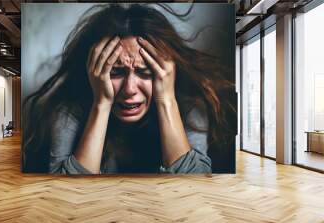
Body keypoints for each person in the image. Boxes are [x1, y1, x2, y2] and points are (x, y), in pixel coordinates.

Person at [22, 3, 234, 174]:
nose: (130, 89)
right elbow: (64, 195)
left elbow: (194, 190)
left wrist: (166, 100)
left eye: (145, 72)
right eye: (115, 72)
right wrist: (101, 103)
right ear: (92, 72)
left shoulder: (189, 108)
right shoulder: (69, 111)